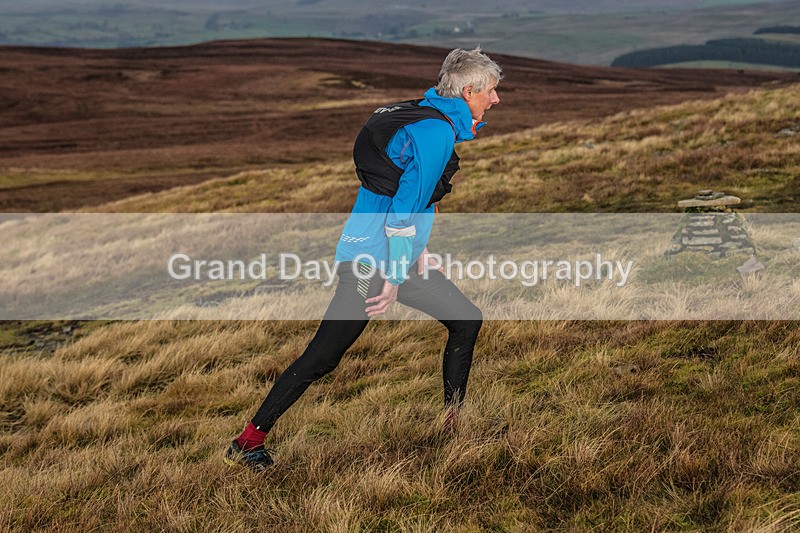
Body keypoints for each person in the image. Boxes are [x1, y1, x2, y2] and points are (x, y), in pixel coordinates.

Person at [225, 47, 502, 471]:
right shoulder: (435, 132)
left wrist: (421, 255)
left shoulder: (422, 113)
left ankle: (454, 423)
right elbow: (401, 217)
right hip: (371, 261)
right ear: (468, 91)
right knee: (324, 356)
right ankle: (247, 442)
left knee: (466, 319)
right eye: (492, 91)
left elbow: (414, 195)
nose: (496, 99)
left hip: (397, 258)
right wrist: (393, 278)